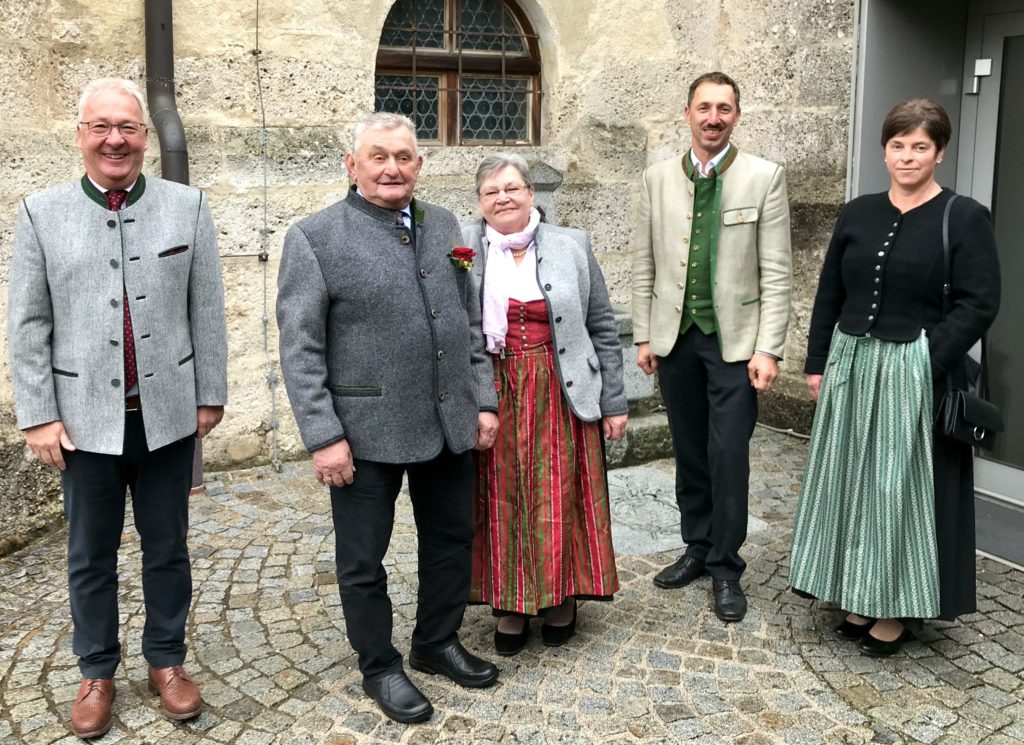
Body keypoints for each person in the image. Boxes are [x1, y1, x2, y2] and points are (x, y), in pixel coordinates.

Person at [7, 78, 227, 739]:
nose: (115, 139)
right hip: (80, 421)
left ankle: (167, 660)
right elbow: (28, 324)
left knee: (168, 549)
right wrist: (38, 414)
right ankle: (97, 670)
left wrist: (209, 393)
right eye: (101, 126)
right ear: (79, 135)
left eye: (128, 127)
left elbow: (206, 309)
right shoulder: (41, 213)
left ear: (145, 137)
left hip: (165, 414)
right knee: (89, 553)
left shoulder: (185, 207)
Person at [276, 112, 500, 724]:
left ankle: (435, 641)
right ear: (353, 166)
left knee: (451, 539)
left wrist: (483, 400)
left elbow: (470, 323)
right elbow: (300, 348)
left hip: (449, 422)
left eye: (403, 156)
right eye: (378, 156)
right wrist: (323, 436)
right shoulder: (315, 237)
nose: (392, 168)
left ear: (419, 165)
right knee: (362, 559)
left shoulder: (446, 225)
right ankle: (379, 664)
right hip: (364, 432)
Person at [789, 99, 1000, 656]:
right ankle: (856, 591)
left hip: (914, 367)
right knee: (851, 481)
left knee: (898, 489)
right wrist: (817, 363)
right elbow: (831, 292)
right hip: (852, 362)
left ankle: (898, 608)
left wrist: (928, 362)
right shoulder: (858, 211)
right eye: (898, 145)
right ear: (884, 149)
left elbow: (980, 303)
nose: (907, 156)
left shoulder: (965, 216)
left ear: (940, 152)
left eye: (920, 146)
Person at [631, 71, 793, 623]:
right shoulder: (655, 179)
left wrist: (768, 348)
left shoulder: (764, 178)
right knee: (690, 450)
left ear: (736, 116)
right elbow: (645, 262)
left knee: (728, 455)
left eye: (724, 108)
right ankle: (696, 546)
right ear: (688, 113)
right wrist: (645, 334)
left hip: (736, 344)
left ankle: (726, 566)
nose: (713, 117)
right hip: (675, 340)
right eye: (704, 107)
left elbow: (777, 272)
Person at [463, 154, 628, 655]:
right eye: (492, 192)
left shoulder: (570, 244)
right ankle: (511, 603)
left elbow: (601, 323)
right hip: (496, 389)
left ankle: (560, 600)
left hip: (561, 389)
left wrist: (614, 402)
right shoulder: (465, 248)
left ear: (531, 193)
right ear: (480, 203)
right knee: (503, 496)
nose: (503, 198)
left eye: (512, 188)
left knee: (561, 494)